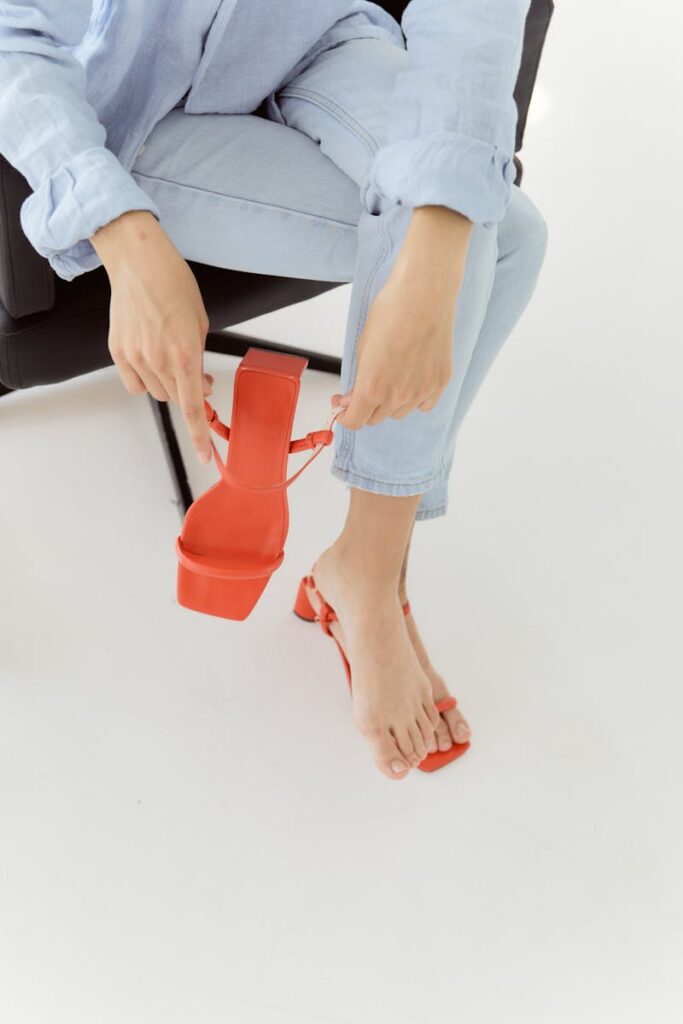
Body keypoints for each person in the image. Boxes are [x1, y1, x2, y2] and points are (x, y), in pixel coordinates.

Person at [0, 0, 548, 780]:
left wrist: (435, 239)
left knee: (496, 237)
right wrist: (119, 230)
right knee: (500, 242)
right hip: (128, 98)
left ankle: (364, 565)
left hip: (315, 35)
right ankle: (370, 588)